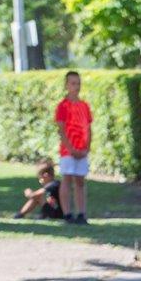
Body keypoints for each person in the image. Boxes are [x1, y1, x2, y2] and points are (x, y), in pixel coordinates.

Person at [54, 71, 92, 225]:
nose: (76, 87)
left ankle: (81, 213)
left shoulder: (84, 106)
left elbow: (88, 128)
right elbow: (61, 130)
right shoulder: (62, 106)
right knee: (67, 178)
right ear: (67, 85)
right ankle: (67, 213)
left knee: (80, 181)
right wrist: (70, 149)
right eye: (73, 83)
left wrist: (87, 147)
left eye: (78, 83)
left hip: (82, 149)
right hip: (68, 151)